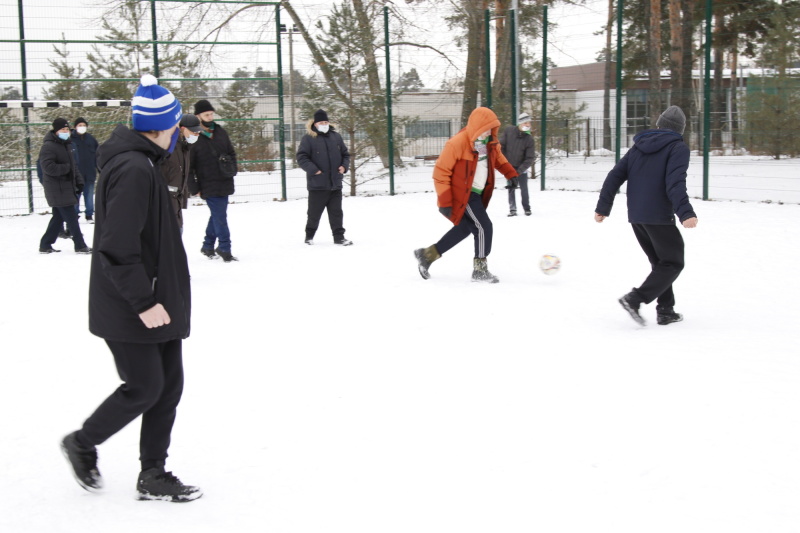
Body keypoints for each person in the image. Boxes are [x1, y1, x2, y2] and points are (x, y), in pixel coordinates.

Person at [60, 74, 201, 502]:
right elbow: (117, 247)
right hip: (133, 303)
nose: (181, 132)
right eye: (177, 125)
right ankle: (81, 443)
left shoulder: (144, 162)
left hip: (158, 297)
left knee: (167, 387)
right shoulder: (134, 168)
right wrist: (144, 302)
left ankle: (153, 474)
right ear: (162, 127)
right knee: (144, 387)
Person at [594, 105, 698, 326]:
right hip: (659, 215)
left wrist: (603, 207)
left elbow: (614, 176)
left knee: (660, 263)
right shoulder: (677, 148)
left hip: (637, 215)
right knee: (673, 262)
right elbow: (675, 183)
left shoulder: (638, 147)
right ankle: (635, 299)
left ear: (659, 124)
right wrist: (685, 212)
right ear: (680, 130)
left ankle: (666, 311)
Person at [414, 107, 518, 283]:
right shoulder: (457, 143)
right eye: (484, 128)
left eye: (491, 128)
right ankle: (480, 271)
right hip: (463, 194)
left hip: (477, 193)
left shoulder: (490, 142)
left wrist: (511, 174)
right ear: (476, 126)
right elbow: (441, 173)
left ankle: (427, 255)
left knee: (465, 229)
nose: (487, 132)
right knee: (484, 227)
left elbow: (499, 159)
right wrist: (446, 201)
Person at [188, 99, 238, 262]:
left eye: (211, 114)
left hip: (224, 179)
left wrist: (232, 169)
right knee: (220, 217)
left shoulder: (221, 132)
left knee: (218, 215)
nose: (210, 117)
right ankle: (225, 248)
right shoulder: (194, 136)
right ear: (198, 116)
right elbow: (189, 167)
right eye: (206, 114)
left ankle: (208, 245)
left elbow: (231, 152)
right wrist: (194, 187)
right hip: (207, 183)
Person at [296, 109, 353, 246]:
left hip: (335, 183)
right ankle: (309, 236)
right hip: (317, 185)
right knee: (314, 214)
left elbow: (345, 154)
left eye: (326, 122)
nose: (324, 124)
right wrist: (314, 170)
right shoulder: (308, 138)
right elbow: (302, 157)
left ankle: (339, 237)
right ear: (315, 124)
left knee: (336, 213)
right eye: (321, 122)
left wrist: (344, 167)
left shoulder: (336, 137)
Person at [38, 117, 91, 254]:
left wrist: (79, 181)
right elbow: (48, 167)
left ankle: (45, 244)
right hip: (57, 188)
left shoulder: (66, 145)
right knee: (71, 217)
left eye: (67, 129)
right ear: (56, 131)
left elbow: (74, 166)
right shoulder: (48, 146)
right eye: (63, 129)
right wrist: (66, 169)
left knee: (58, 217)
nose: (65, 131)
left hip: (66, 187)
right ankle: (80, 245)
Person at [161, 114, 202, 231]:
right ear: (183, 129)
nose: (197, 134)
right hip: (165, 206)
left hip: (176, 206)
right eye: (194, 131)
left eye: (198, 132)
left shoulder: (185, 147)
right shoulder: (170, 146)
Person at [499, 112, 536, 217]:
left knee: (524, 188)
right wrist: (506, 164)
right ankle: (512, 209)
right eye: (525, 123)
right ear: (520, 123)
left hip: (521, 168)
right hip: (509, 166)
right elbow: (502, 147)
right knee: (511, 187)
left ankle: (527, 208)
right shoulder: (509, 131)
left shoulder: (529, 139)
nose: (528, 125)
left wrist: (519, 171)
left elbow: (529, 158)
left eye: (529, 123)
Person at [71, 117, 99, 222]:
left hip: (89, 173)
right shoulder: (70, 139)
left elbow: (98, 155)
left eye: (84, 125)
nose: (82, 127)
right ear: (75, 127)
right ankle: (74, 215)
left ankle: (89, 215)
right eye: (79, 125)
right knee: (75, 196)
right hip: (76, 174)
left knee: (89, 195)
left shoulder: (91, 139)